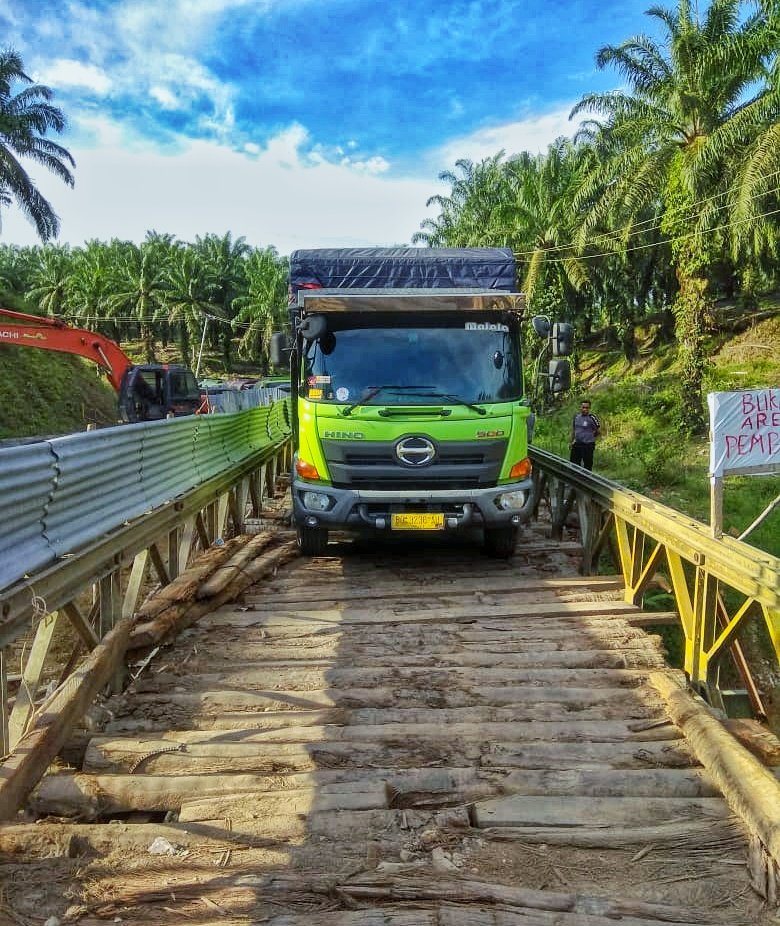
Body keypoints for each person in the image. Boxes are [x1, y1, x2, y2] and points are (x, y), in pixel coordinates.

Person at [570, 399, 600, 471]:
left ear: (589, 408)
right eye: (583, 407)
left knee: (587, 465)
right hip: (577, 443)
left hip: (588, 445)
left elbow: (598, 431)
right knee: (574, 464)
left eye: (587, 408)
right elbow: (574, 430)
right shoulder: (576, 417)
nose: (585, 409)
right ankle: (575, 479)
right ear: (580, 407)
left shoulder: (592, 417)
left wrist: (590, 437)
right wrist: (571, 442)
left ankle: (586, 480)